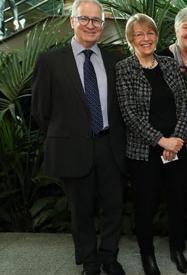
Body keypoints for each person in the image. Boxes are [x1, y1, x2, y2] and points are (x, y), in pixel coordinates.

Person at [30, 1, 126, 274]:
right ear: (72, 21)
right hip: (73, 148)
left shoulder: (115, 59)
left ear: (103, 24)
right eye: (84, 18)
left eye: (96, 20)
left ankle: (109, 256)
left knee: (114, 206)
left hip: (110, 145)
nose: (91, 25)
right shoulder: (50, 61)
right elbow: (40, 111)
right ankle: (89, 262)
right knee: (81, 210)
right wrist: (69, 132)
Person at [116, 13, 187, 275]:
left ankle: (177, 249)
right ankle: (148, 256)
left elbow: (184, 104)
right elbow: (129, 115)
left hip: (177, 150)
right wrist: (162, 141)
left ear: (156, 37)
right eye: (139, 34)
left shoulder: (170, 64)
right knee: (145, 206)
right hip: (143, 152)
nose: (146, 38)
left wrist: (177, 140)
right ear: (131, 39)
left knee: (177, 201)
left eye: (150, 33)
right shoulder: (124, 69)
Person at [158, 6, 187, 251]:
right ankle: (176, 230)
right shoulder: (160, 57)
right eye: (186, 27)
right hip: (170, 135)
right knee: (174, 184)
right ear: (176, 29)